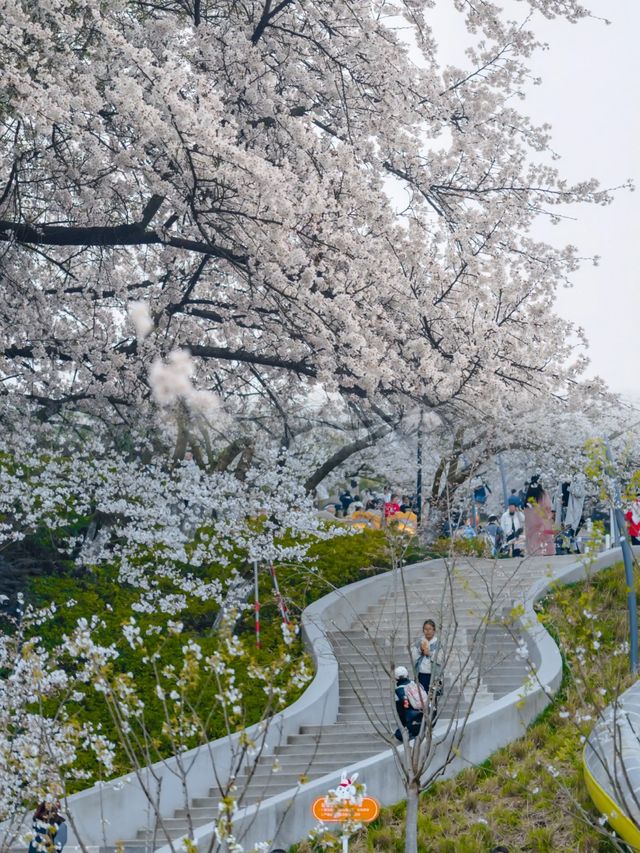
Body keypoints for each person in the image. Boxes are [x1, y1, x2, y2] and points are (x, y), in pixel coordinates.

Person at [524, 476, 554, 556]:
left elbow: (527, 509)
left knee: (533, 538)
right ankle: (548, 552)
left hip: (531, 522)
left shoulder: (529, 495)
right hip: (543, 518)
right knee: (546, 537)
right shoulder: (543, 494)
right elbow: (548, 507)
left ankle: (534, 552)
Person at [393, 665, 423, 741]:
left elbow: (400, 712)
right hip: (424, 719)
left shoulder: (398, 692)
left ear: (396, 678)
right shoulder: (416, 684)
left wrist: (403, 725)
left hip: (411, 722)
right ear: (407, 675)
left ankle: (410, 732)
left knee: (398, 734)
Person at [411, 619, 440, 694]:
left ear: (434, 630)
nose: (428, 631)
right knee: (421, 696)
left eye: (430, 629)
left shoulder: (438, 643)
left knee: (432, 697)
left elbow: (441, 659)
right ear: (423, 630)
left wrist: (430, 654)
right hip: (421, 674)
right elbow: (413, 657)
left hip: (434, 675)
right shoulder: (419, 642)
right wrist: (420, 650)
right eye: (425, 629)